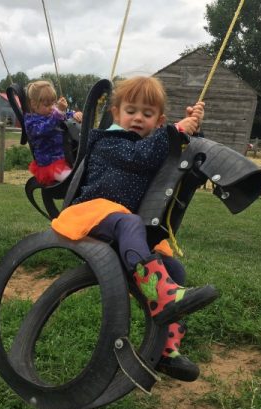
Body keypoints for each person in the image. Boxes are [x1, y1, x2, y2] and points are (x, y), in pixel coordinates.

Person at [52, 76, 209, 381]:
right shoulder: (108, 141)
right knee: (129, 220)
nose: (138, 118)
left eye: (147, 114)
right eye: (131, 111)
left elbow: (175, 155)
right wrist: (172, 131)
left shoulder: (152, 142)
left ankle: (166, 350)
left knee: (174, 269)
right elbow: (140, 157)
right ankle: (159, 294)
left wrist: (191, 126)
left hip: (125, 228)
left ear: (157, 120)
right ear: (115, 113)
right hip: (92, 213)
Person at [24, 80, 83, 186]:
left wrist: (75, 114)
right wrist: (58, 113)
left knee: (83, 175)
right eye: (46, 104)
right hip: (50, 165)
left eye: (53, 103)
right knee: (74, 182)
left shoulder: (53, 113)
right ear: (33, 104)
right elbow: (44, 128)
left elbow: (65, 115)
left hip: (66, 159)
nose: (51, 107)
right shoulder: (31, 122)